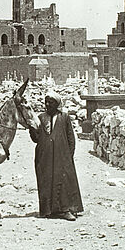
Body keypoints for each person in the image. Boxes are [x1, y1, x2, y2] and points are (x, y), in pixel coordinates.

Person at [28, 91, 83, 221]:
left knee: (63, 183)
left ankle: (65, 210)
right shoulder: (40, 118)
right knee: (46, 181)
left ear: (57, 104)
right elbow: (36, 139)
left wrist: (69, 156)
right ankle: (48, 211)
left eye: (51, 102)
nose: (48, 104)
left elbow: (71, 138)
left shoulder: (64, 117)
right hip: (44, 157)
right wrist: (32, 129)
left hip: (62, 156)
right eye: (46, 102)